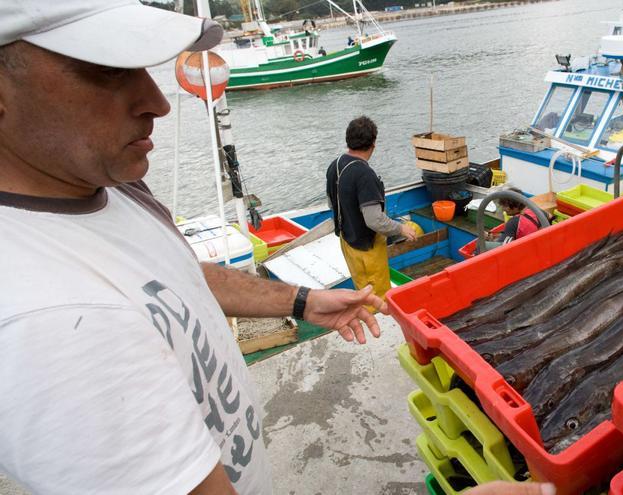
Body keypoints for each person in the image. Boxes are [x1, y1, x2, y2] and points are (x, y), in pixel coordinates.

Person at [0, 2, 387, 493]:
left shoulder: (108, 186)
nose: (157, 102)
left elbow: (177, 274)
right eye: (105, 70)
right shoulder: (47, 324)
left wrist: (304, 301)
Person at [326, 116, 418, 302]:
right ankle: (379, 327)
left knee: (362, 290)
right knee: (377, 299)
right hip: (367, 249)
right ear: (373, 144)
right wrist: (401, 228)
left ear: (348, 139)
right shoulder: (365, 175)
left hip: (347, 241)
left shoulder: (334, 165)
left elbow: (331, 203)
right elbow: (374, 220)